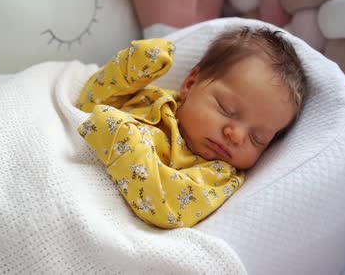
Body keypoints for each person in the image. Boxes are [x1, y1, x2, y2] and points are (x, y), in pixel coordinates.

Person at [77, 26, 308, 229]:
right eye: (226, 109)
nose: (236, 136)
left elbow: (167, 208)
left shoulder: (217, 174)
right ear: (190, 84)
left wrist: (120, 142)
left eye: (257, 138)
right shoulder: (155, 100)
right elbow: (88, 104)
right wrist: (132, 68)